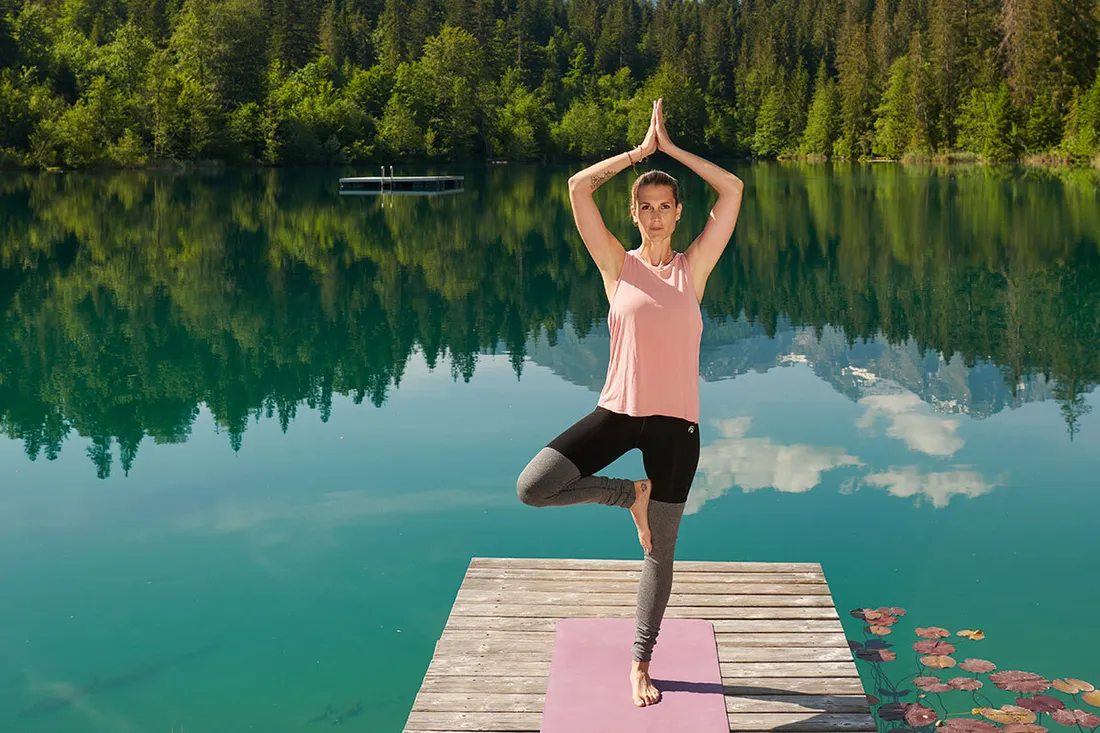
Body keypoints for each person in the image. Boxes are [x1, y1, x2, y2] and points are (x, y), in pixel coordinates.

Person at [516, 98, 744, 708]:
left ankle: (641, 661)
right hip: (619, 411)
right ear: (635, 213)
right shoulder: (616, 265)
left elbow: (734, 187)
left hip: (677, 426)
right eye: (644, 207)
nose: (654, 216)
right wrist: (640, 154)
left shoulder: (693, 268)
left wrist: (672, 151)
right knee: (534, 486)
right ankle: (627, 495)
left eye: (664, 207)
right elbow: (576, 188)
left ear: (677, 213)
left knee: (660, 553)